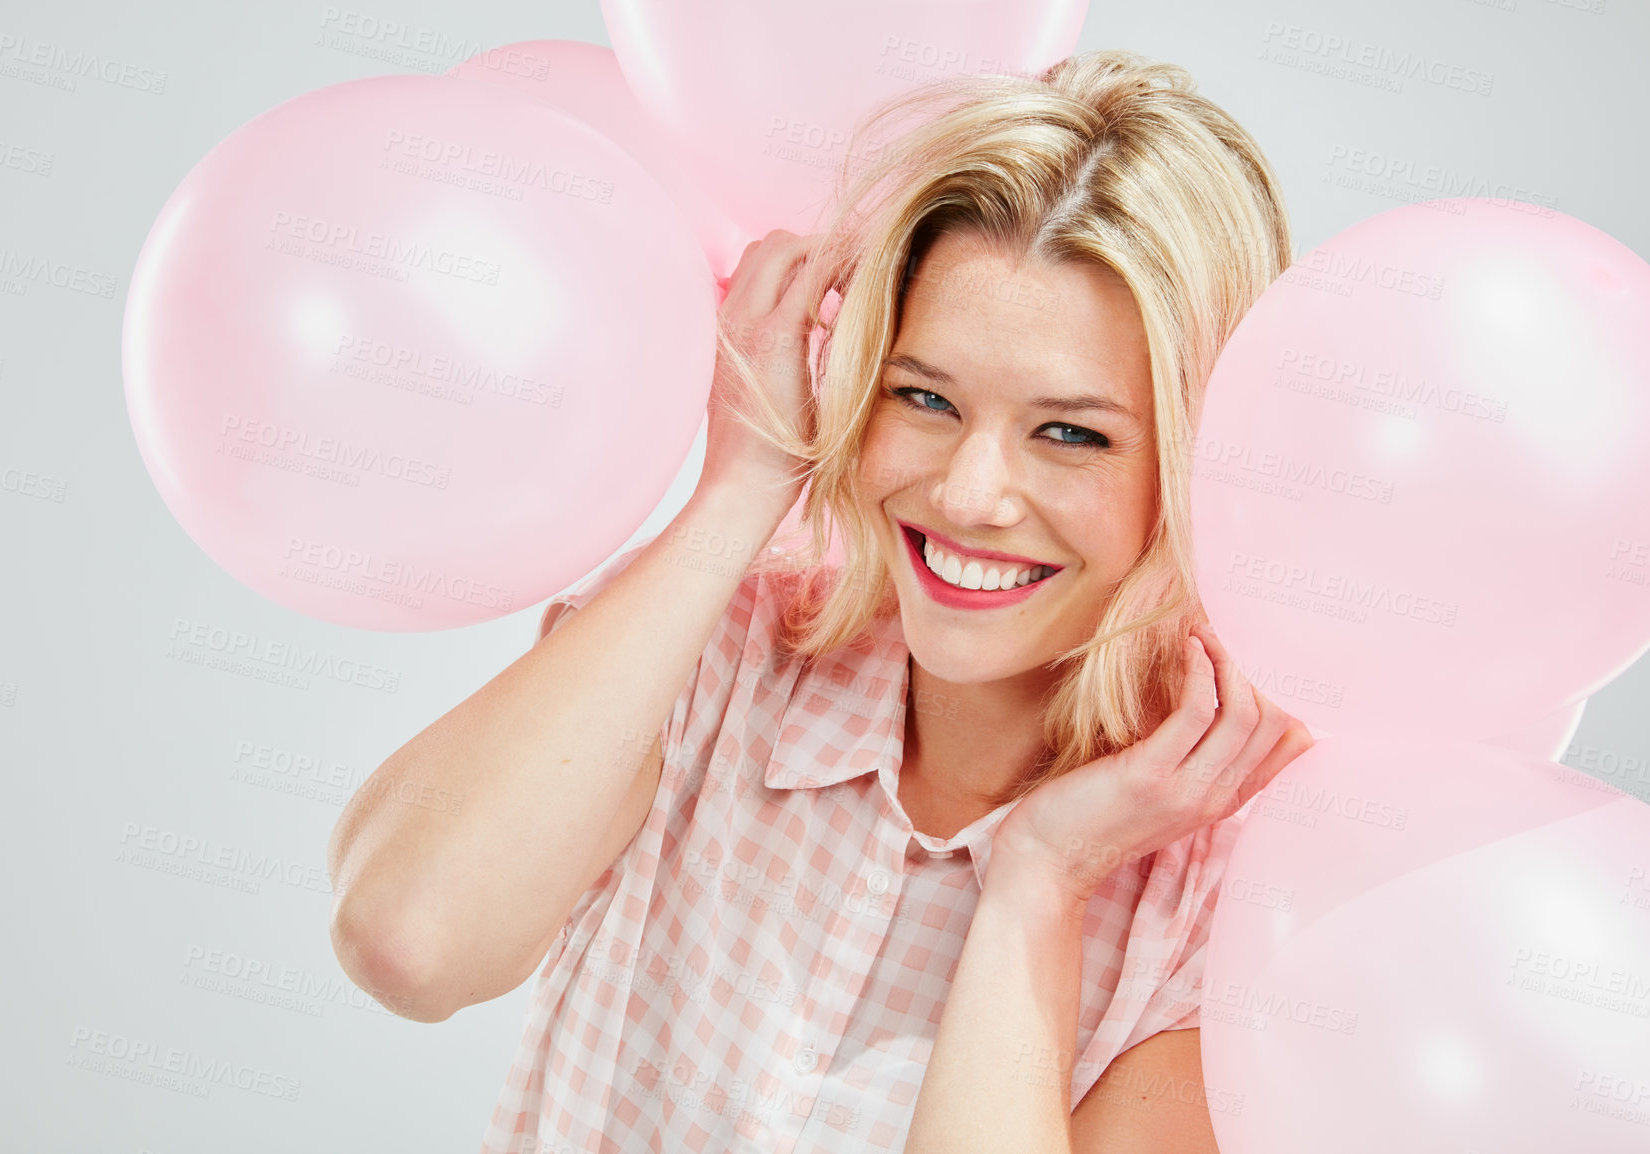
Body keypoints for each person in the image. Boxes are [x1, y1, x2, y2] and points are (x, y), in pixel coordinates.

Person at [326, 47, 1316, 1154]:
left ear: (1195, 459)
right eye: (924, 397)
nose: (968, 491)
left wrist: (1036, 884)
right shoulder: (716, 648)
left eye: (1070, 431)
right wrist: (740, 483)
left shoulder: (1236, 894)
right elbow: (408, 938)